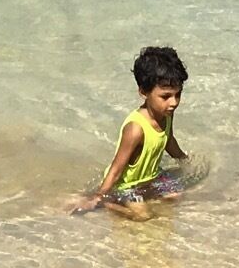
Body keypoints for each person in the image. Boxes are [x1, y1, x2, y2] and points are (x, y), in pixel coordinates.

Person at [72, 46, 189, 216]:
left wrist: (184, 160)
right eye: (165, 96)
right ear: (143, 92)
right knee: (142, 216)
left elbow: (169, 140)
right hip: (127, 187)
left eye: (177, 95)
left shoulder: (166, 114)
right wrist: (99, 196)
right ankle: (107, 204)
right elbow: (116, 169)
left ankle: (147, 196)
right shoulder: (136, 129)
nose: (174, 102)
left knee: (178, 196)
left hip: (151, 178)